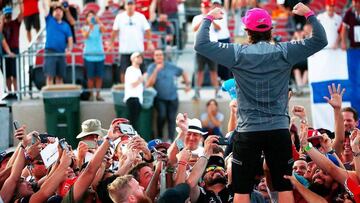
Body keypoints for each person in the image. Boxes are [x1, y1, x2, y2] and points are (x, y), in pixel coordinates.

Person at [194, 3, 328, 202]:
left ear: (247, 31)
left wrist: (208, 18)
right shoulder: (285, 51)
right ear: (270, 29)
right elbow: (321, 39)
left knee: (241, 191)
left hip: (248, 131)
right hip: (278, 130)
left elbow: (201, 44)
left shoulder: (237, 53)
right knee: (284, 187)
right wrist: (309, 14)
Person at [146, 49, 190, 140]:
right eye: (157, 55)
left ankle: (171, 139)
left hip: (173, 97)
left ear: (163, 56)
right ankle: (160, 137)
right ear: (154, 57)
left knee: (172, 119)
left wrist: (187, 84)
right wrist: (156, 71)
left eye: (160, 55)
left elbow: (183, 72)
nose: (159, 57)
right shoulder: (151, 67)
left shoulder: (170, 66)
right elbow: (149, 84)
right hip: (159, 97)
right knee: (161, 116)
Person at [109, 0, 154, 83]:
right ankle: (124, 88)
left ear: (134, 5)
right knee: (123, 71)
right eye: (128, 4)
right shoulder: (120, 17)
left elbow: (147, 30)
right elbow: (114, 31)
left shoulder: (140, 17)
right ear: (125, 6)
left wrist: (149, 42)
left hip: (138, 49)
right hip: (125, 49)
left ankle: (141, 88)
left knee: (141, 71)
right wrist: (111, 44)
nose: (130, 6)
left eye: (131, 4)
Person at [192, 0, 220, 99]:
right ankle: (197, 92)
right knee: (199, 71)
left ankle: (217, 92)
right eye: (204, 7)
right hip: (200, 48)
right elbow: (194, 29)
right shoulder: (197, 17)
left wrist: (211, 19)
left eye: (208, 7)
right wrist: (204, 20)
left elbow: (219, 28)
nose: (206, 9)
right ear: (201, 8)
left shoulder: (214, 17)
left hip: (212, 47)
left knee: (214, 71)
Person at [43, 1, 73, 85]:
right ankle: (50, 97)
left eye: (60, 10)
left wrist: (69, 49)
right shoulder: (49, 20)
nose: (58, 12)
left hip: (61, 53)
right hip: (50, 52)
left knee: (60, 76)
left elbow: (70, 39)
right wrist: (52, 4)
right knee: (49, 76)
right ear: (52, 13)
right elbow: (44, 6)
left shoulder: (66, 25)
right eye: (56, 10)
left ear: (63, 13)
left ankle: (59, 97)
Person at [82, 10, 106, 101]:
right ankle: (91, 94)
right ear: (86, 19)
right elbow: (85, 36)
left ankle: (98, 94)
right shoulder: (84, 28)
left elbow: (104, 30)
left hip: (100, 55)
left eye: (93, 16)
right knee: (90, 77)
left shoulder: (98, 27)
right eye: (89, 16)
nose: (91, 17)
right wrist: (90, 28)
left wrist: (98, 21)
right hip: (89, 56)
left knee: (99, 77)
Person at [2, 5, 22, 98]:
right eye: (7, 15)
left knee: (14, 74)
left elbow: (22, 15)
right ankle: (10, 93)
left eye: (9, 15)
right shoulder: (2, 25)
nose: (8, 17)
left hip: (14, 49)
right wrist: (2, 19)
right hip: (4, 51)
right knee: (7, 74)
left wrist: (21, 3)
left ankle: (16, 93)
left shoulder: (15, 23)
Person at [124, 52, 146, 131]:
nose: (140, 58)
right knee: (133, 122)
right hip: (132, 98)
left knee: (135, 121)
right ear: (132, 59)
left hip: (138, 99)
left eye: (141, 57)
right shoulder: (130, 70)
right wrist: (142, 78)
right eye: (137, 57)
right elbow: (133, 84)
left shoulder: (138, 70)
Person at [212, 0, 232, 81]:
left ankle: (226, 78)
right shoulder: (210, 13)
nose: (216, 6)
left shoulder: (223, 12)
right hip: (215, 39)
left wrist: (211, 19)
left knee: (225, 59)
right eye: (214, 4)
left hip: (224, 38)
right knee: (217, 60)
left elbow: (218, 27)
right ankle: (219, 78)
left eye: (217, 4)